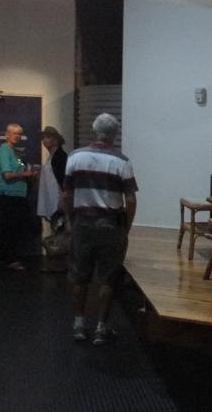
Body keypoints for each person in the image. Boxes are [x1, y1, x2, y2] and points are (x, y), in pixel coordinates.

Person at [62, 114, 138, 345]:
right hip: (110, 225)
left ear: (94, 131)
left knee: (79, 276)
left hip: (82, 223)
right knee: (108, 278)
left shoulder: (75, 157)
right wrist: (126, 228)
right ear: (115, 134)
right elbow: (130, 200)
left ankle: (78, 325)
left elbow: (66, 194)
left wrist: (70, 220)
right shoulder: (122, 161)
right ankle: (101, 328)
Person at [0, 123, 38, 270]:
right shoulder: (4, 152)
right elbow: (7, 175)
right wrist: (26, 174)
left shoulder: (14, 152)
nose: (17, 136)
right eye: (14, 133)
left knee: (12, 227)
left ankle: (4, 257)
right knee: (10, 228)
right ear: (6, 134)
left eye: (19, 134)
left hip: (16, 194)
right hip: (9, 195)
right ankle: (9, 259)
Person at [37, 126, 69, 272]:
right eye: (43, 138)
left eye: (48, 137)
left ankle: (60, 264)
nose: (45, 140)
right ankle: (58, 263)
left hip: (58, 200)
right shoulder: (52, 157)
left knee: (60, 232)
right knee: (57, 231)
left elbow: (64, 180)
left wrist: (63, 199)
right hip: (52, 199)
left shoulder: (60, 157)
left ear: (56, 140)